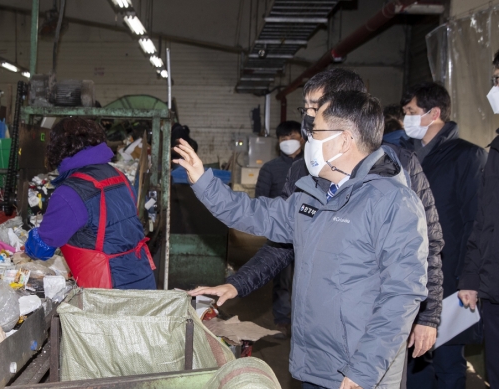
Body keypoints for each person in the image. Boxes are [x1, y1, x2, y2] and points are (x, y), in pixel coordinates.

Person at [205, 69, 444, 381]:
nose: (308, 120)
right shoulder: (306, 172)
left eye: (315, 109)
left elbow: (425, 253)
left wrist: (430, 314)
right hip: (316, 349)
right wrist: (240, 283)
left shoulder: (400, 173)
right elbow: (284, 239)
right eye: (306, 109)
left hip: (366, 345)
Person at [401, 82, 487, 389]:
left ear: (434, 113)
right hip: (411, 276)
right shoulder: (405, 156)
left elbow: (475, 221)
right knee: (414, 361)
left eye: (411, 112)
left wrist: (469, 280)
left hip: (450, 279)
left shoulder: (467, 156)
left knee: (448, 363)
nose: (405, 118)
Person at [23, 118, 156, 289]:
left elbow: (42, 248)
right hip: (144, 280)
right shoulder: (118, 175)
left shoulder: (69, 192)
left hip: (111, 291)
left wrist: (28, 246)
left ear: (56, 149)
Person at [458, 49, 499, 387]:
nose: (494, 91)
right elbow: (483, 220)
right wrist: (472, 277)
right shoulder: (496, 151)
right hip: (494, 290)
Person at [254, 120, 304, 337]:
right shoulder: (270, 168)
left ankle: (303, 322)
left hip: (307, 232)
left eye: (293, 137)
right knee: (282, 280)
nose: (289, 142)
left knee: (306, 278)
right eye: (284, 139)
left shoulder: (313, 167)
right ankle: (282, 320)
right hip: (281, 234)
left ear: (302, 138)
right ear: (278, 142)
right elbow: (261, 200)